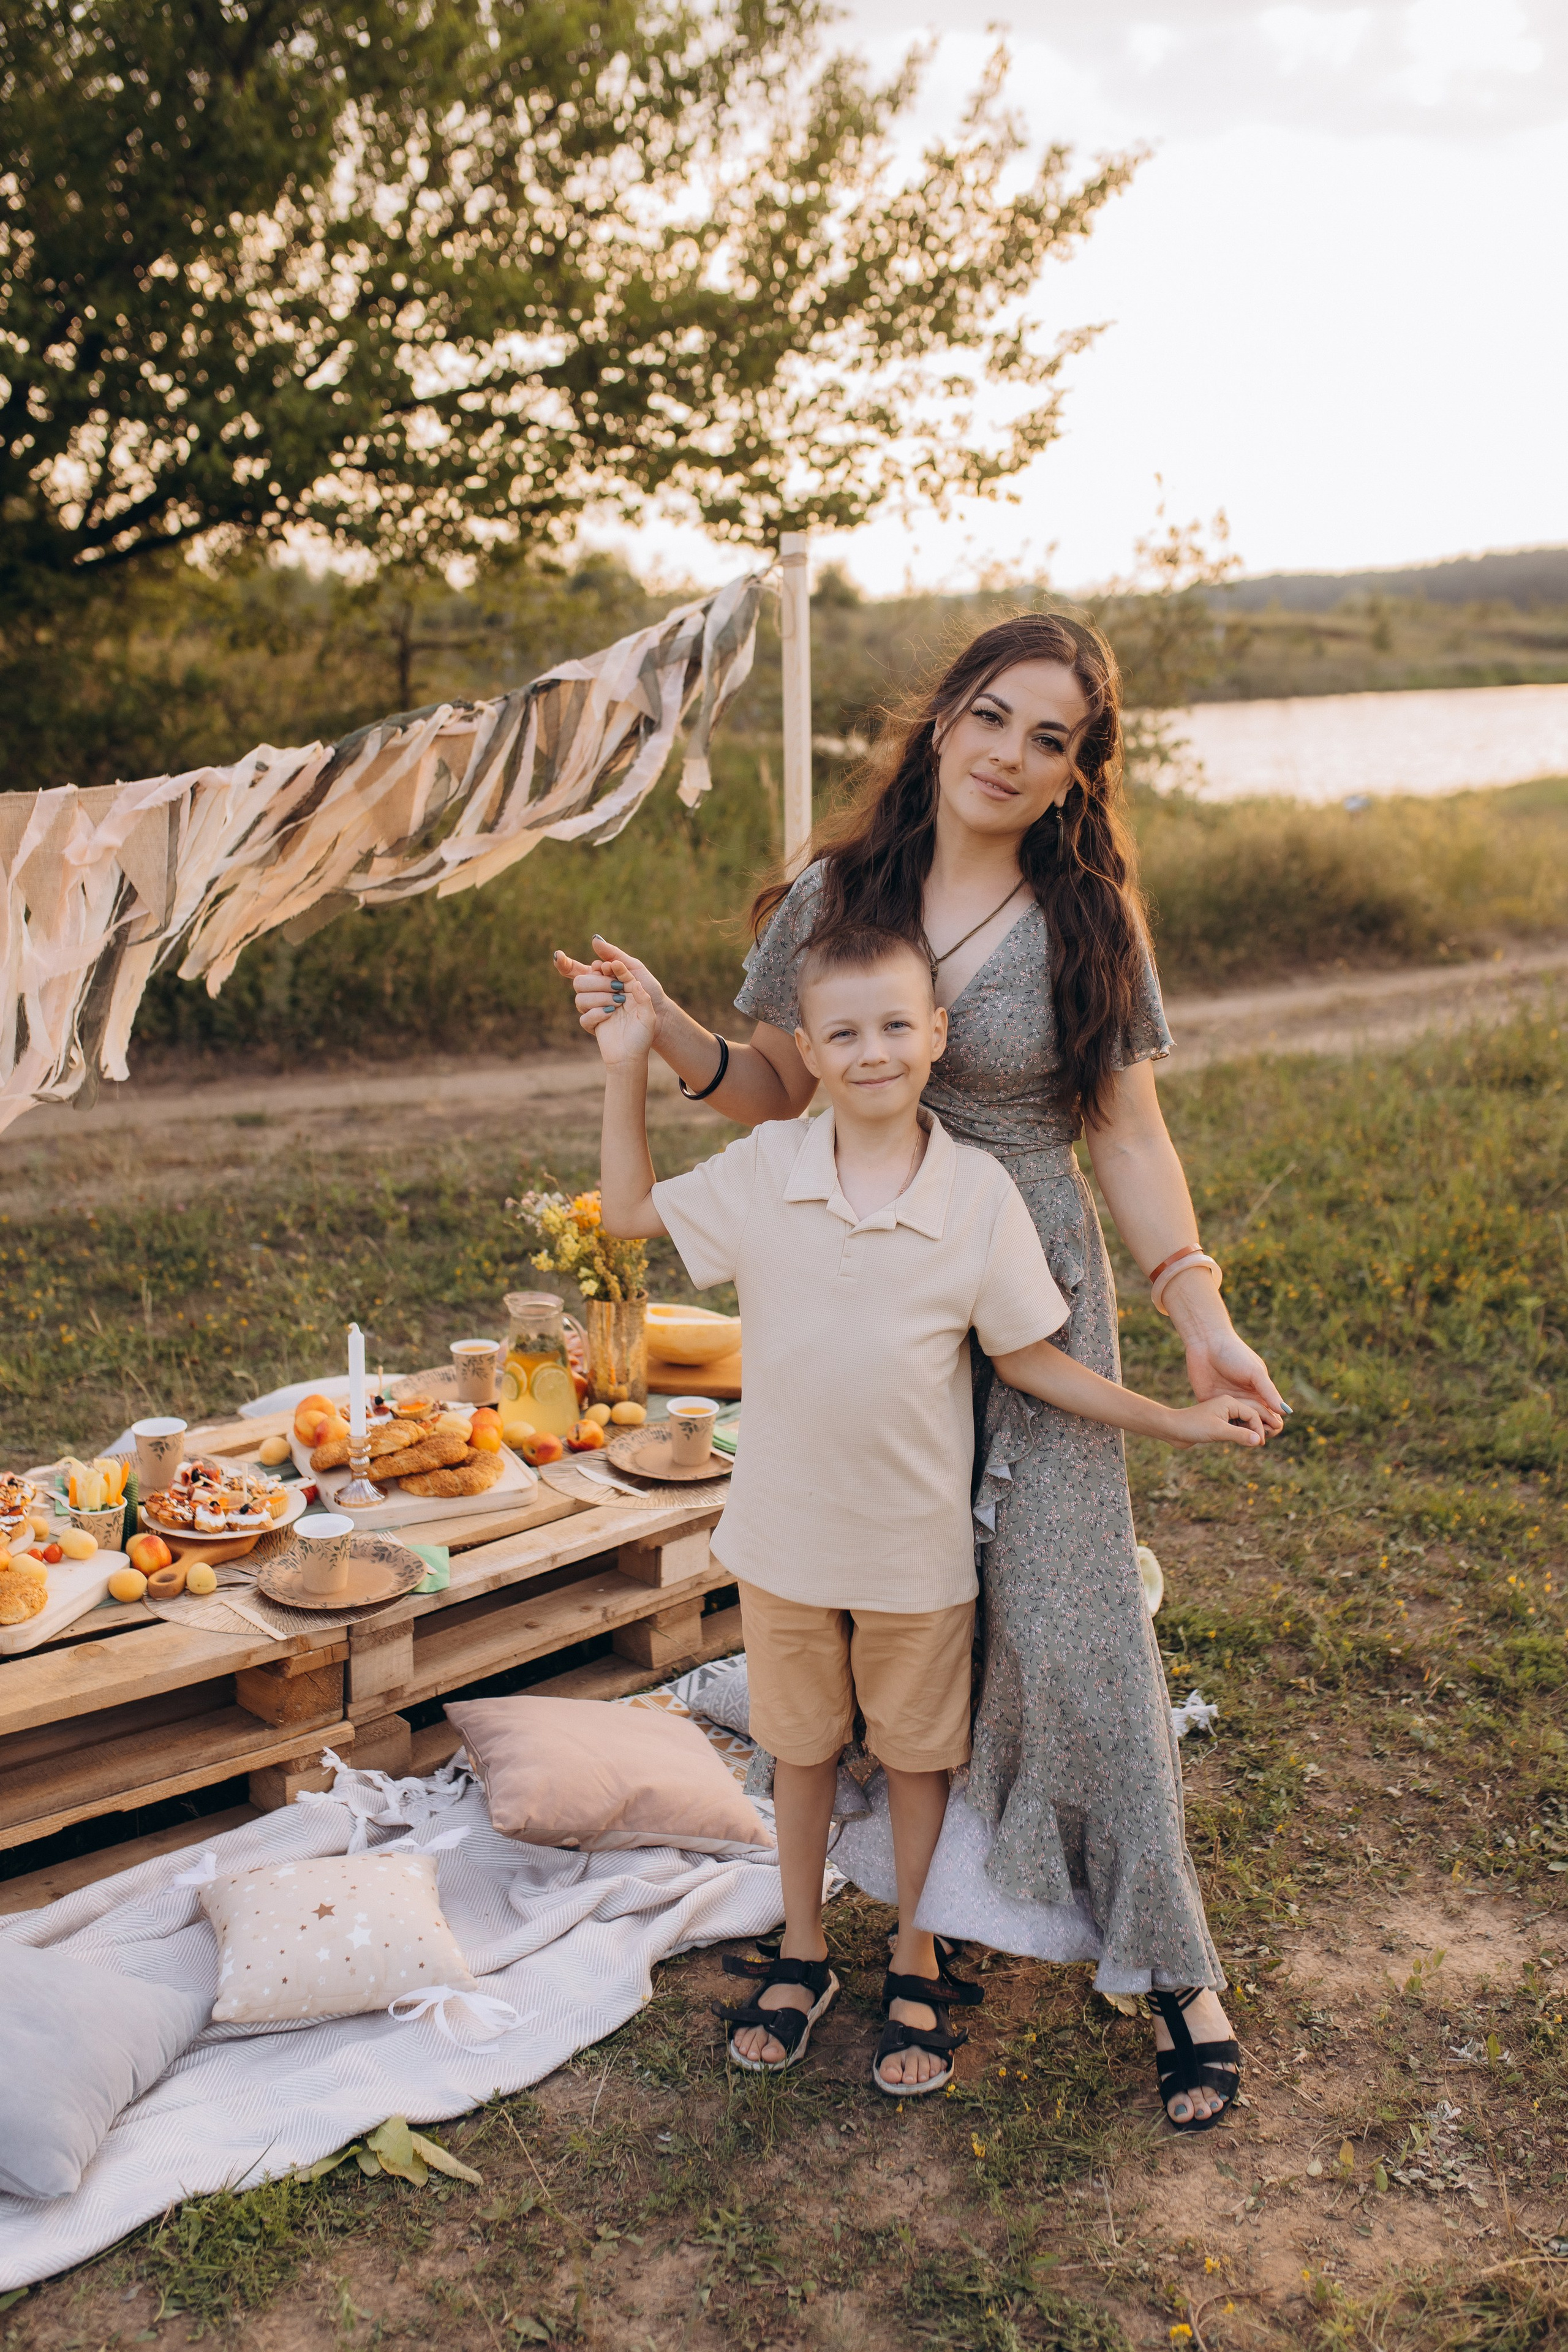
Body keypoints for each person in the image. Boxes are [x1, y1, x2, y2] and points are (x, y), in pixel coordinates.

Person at [557, 608, 1289, 2132]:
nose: (1013, 755)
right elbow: (770, 1086)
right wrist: (664, 1030)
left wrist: (1193, 1309)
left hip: (1022, 1280)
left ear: (1080, 773)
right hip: (854, 1289)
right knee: (881, 1621)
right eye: (994, 717)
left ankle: (1169, 1964)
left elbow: (1129, 1133)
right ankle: (907, 1923)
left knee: (1076, 1625)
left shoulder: (1087, 922)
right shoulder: (837, 895)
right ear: (942, 717)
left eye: (1054, 739)